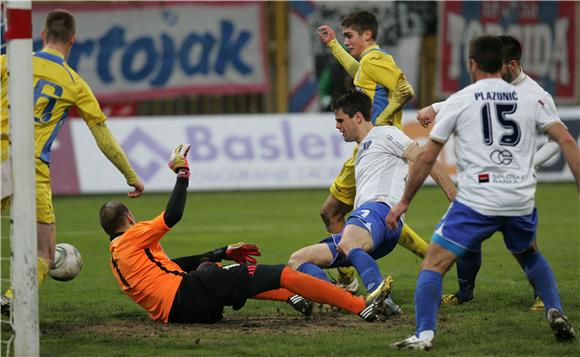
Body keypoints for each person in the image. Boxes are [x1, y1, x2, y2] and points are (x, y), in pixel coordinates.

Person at [387, 35, 580, 350]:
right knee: (529, 254)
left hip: (478, 197)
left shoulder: (462, 99)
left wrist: (404, 201)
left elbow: (427, 156)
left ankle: (424, 335)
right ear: (504, 65)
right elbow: (568, 142)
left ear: (472, 64)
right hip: (519, 197)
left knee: (433, 265)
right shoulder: (533, 98)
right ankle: (553, 308)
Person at [99, 144, 396, 324]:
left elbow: (172, 266)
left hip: (183, 312)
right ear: (129, 217)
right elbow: (173, 215)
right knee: (281, 272)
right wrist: (182, 175)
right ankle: (360, 306)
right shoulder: (133, 235)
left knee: (214, 269)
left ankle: (292, 298)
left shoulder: (117, 260)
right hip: (190, 292)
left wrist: (221, 252)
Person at [0, 9, 144, 316]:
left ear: (42, 35)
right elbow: (102, 134)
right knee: (45, 251)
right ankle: (13, 299)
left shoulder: (8, 62)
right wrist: (132, 177)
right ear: (73, 39)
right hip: (29, 165)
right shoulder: (74, 83)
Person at [416, 35, 561, 311]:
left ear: (513, 65)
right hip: (481, 181)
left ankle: (542, 296)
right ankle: (465, 291)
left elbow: (559, 140)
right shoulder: (493, 87)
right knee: (468, 239)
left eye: (499, 65)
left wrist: (532, 163)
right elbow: (471, 100)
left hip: (515, 182)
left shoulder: (537, 96)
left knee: (526, 247)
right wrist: (435, 107)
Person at [288, 91, 456, 313]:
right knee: (297, 260)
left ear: (358, 117)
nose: (337, 126)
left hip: (378, 212)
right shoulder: (363, 149)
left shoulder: (384, 133)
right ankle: (335, 298)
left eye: (340, 120)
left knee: (348, 243)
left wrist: (454, 198)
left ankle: (380, 297)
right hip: (373, 228)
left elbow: (426, 159)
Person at [317, 10, 426, 292]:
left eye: (349, 36)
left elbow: (405, 90)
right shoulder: (368, 63)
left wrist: (379, 122)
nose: (346, 40)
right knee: (357, 215)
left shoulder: (376, 59)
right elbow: (359, 74)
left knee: (336, 213)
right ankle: (432, 257)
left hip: (377, 147)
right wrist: (334, 46)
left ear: (368, 35)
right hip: (368, 146)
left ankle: (349, 279)